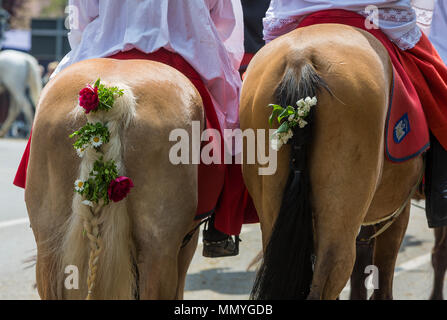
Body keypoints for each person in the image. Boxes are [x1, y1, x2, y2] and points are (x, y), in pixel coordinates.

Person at [13, 0, 258, 257]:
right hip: (183, 53)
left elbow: (80, 19)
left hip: (102, 50)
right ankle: (221, 226)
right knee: (230, 124)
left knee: (50, 103)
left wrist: (90, 44)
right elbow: (225, 24)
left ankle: (45, 205)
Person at [263, 0, 447, 228]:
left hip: (298, 13)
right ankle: (441, 189)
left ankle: (235, 201)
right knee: (439, 88)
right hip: (374, 14)